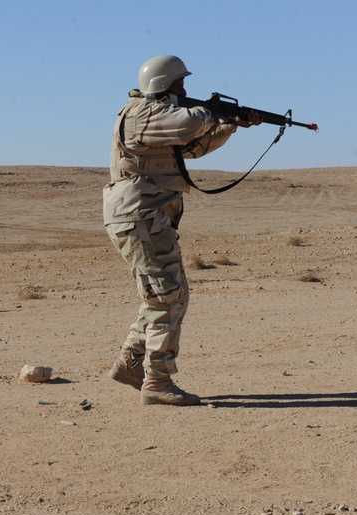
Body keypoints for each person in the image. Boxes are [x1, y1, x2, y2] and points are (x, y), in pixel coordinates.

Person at [102, 55, 261, 406]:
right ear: (162, 86)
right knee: (168, 296)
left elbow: (193, 147)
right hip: (141, 214)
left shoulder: (162, 118)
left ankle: (130, 364)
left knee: (163, 295)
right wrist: (214, 112)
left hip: (147, 215)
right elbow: (190, 124)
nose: (185, 90)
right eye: (179, 85)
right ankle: (157, 381)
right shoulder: (143, 112)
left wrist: (231, 125)